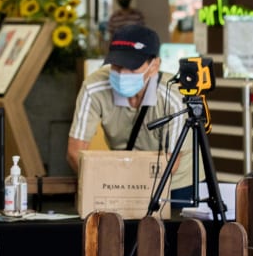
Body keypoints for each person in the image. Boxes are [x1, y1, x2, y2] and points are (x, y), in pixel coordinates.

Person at [67, 24, 199, 209]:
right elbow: (75, 152)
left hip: (178, 183)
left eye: (132, 68)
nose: (122, 74)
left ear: (154, 66)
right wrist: (103, 184)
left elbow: (172, 161)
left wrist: (130, 189)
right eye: (117, 66)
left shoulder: (173, 96)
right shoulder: (94, 87)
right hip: (118, 182)